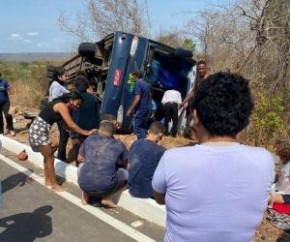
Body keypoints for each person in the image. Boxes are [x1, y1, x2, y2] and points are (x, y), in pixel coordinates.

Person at [152, 72, 275, 242]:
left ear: (195, 117)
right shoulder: (265, 161)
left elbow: (160, 198)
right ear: (245, 120)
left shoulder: (173, 159)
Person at [29, 91, 96, 192]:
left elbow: (67, 126)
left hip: (40, 129)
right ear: (71, 100)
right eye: (77, 104)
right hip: (38, 130)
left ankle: (48, 180)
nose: (77, 107)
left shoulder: (62, 107)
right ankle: (54, 184)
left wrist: (80, 133)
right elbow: (70, 124)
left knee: (49, 153)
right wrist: (86, 132)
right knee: (50, 157)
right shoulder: (61, 106)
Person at [77, 116, 128, 208]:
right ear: (113, 133)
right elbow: (128, 166)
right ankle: (108, 198)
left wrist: (92, 159)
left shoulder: (89, 139)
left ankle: (85, 196)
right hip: (106, 189)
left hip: (84, 185)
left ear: (99, 130)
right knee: (129, 176)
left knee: (81, 166)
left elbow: (79, 159)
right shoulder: (119, 144)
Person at [128, 121, 166, 198]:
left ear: (149, 131)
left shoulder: (136, 143)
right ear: (160, 135)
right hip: (146, 192)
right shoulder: (161, 151)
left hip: (131, 187)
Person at [69, 75, 100, 166]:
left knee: (77, 151)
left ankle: (78, 168)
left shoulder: (72, 98)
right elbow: (98, 116)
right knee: (89, 151)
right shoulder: (94, 99)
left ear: (76, 85)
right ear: (87, 85)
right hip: (90, 130)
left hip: (76, 130)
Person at [49, 66, 70, 161]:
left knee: (64, 133)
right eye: (65, 76)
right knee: (64, 133)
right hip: (59, 114)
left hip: (61, 113)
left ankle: (61, 155)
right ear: (59, 76)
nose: (67, 77)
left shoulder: (59, 84)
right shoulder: (56, 86)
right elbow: (54, 99)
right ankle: (61, 157)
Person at [126, 69, 151, 139]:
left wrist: (130, 109)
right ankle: (142, 141)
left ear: (135, 76)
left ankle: (145, 142)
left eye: (133, 76)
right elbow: (150, 96)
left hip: (141, 108)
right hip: (147, 108)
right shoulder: (147, 84)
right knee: (142, 127)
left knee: (137, 126)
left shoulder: (138, 84)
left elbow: (137, 98)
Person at [268, 139, 290, 206]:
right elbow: (279, 176)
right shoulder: (281, 161)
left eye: (277, 147)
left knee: (266, 198)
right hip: (278, 188)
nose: (275, 149)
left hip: (287, 194)